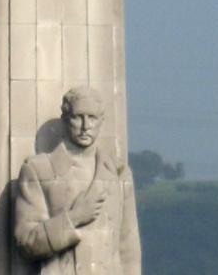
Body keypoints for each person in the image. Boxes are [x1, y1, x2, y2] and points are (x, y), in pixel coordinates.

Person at [14, 86, 141, 274]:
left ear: (101, 121)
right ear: (66, 120)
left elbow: (129, 249)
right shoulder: (38, 170)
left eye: (92, 118)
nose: (85, 126)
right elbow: (26, 241)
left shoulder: (119, 173)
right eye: (78, 117)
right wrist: (74, 217)